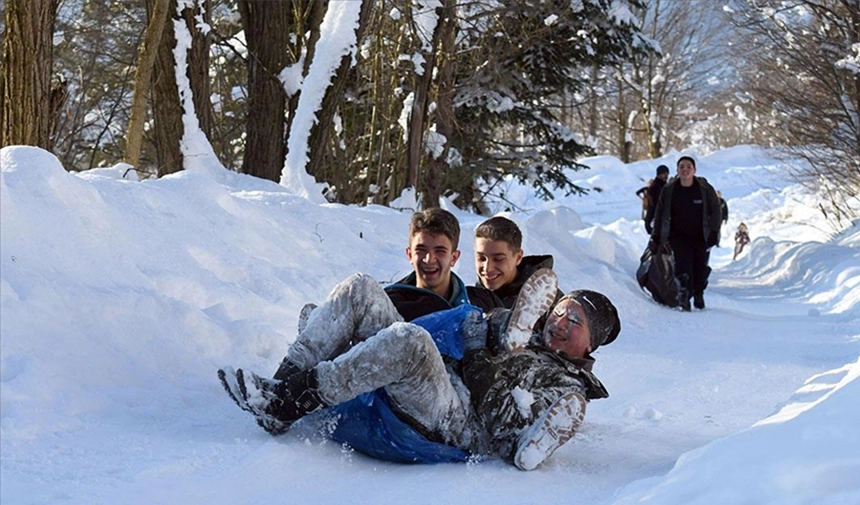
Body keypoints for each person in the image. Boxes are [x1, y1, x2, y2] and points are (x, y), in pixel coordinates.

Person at [219, 264, 621, 470]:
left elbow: (498, 421)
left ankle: (289, 401)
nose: (559, 322)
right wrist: (493, 331)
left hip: (462, 423)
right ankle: (280, 388)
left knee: (409, 342)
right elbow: (468, 332)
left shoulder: (563, 385)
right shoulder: (527, 335)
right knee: (361, 288)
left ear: (591, 343)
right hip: (448, 378)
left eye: (574, 322)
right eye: (560, 312)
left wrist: (484, 353)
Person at [650, 156, 721, 311]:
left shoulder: (704, 188)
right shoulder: (669, 190)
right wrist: (656, 236)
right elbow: (660, 212)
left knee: (699, 267)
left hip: (700, 235)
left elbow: (716, 209)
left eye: (688, 166)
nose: (685, 169)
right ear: (677, 170)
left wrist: (714, 231)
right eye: (682, 166)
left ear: (694, 170)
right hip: (678, 235)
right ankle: (683, 293)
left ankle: (698, 292)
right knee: (683, 265)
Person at [473, 216, 563, 333]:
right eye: (481, 258)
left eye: (498, 259)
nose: (487, 268)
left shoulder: (547, 299)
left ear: (518, 257)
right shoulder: (469, 299)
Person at [642, 165, 671, 234]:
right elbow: (656, 205)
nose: (666, 176)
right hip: (654, 221)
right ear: (659, 174)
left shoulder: (664, 185)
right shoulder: (655, 187)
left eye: (667, 174)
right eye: (664, 174)